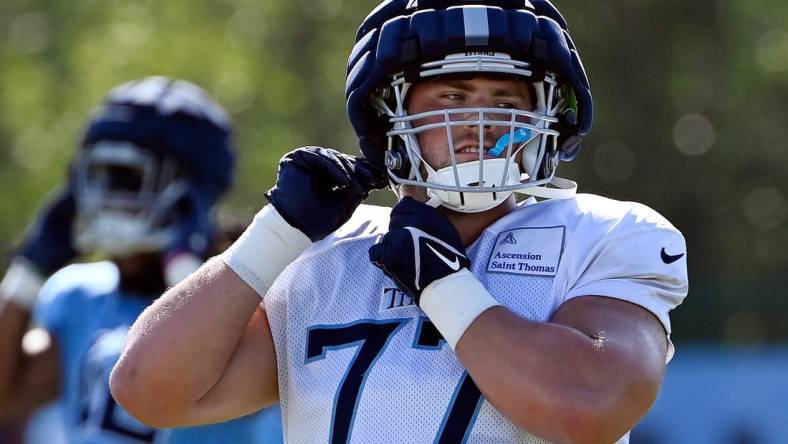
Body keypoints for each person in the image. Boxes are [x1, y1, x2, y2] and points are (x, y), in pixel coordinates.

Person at [110, 2, 689, 443]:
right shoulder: (327, 253)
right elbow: (149, 391)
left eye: (508, 101)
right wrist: (274, 236)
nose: (480, 122)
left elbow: (590, 404)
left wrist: (445, 287)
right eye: (452, 97)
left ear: (547, 120)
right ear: (387, 114)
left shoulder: (605, 233)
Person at [0, 76, 283, 444]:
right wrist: (28, 271)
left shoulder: (248, 297)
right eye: (100, 177)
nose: (108, 198)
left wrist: (185, 266)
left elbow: (213, 362)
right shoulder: (78, 294)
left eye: (127, 179)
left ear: (190, 189)